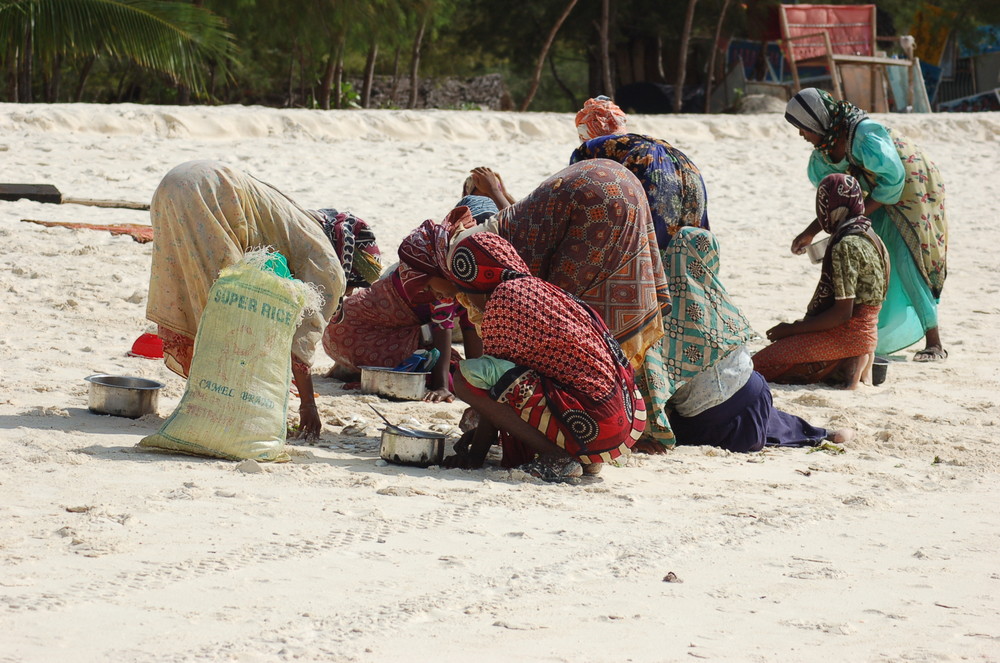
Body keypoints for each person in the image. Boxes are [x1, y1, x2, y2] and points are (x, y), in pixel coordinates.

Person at [445, 160, 675, 448]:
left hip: (592, 434)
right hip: (628, 422)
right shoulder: (553, 298)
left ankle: (556, 454)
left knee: (470, 379)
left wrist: (479, 447)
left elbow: (497, 378)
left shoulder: (510, 301)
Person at [146, 160, 375, 439]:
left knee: (199, 295)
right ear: (349, 268)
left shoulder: (300, 226)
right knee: (225, 306)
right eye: (351, 289)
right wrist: (308, 405)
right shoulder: (329, 265)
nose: (346, 295)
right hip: (208, 193)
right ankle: (219, 408)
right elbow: (302, 338)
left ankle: (211, 400)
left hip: (174, 185)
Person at [442, 232, 645, 480]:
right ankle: (582, 457)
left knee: (464, 377)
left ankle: (559, 458)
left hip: (593, 421)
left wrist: (475, 457)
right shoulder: (540, 289)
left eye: (465, 292)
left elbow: (492, 389)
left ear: (477, 281)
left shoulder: (503, 298)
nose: (467, 303)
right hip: (621, 419)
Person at [785, 87, 948, 361]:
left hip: (910, 184)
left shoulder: (864, 135)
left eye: (803, 128)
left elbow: (892, 182)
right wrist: (809, 233)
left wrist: (856, 216)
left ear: (816, 122)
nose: (802, 135)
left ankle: (935, 342)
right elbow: (840, 199)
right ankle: (871, 333)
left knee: (907, 259)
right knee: (876, 254)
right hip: (877, 191)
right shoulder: (824, 153)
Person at [664, 227, 851, 451]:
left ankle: (816, 433)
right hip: (754, 399)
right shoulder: (720, 302)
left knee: (689, 417)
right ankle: (819, 433)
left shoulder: (661, 313)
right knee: (759, 410)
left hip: (707, 422)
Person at [322, 216, 483, 403]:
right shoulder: (440, 282)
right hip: (354, 330)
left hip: (398, 333)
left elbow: (470, 327)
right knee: (452, 377)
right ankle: (359, 368)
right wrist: (442, 387)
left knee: (465, 375)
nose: (434, 293)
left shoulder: (452, 280)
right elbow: (442, 329)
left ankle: (355, 369)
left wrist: (478, 375)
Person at [753, 173, 890, 389]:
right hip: (867, 334)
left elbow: (841, 314)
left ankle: (842, 363)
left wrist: (790, 329)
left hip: (847, 336)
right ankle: (849, 363)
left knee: (758, 365)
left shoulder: (847, 245)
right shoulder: (871, 235)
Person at [570, 95, 710, 252]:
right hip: (687, 167)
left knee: (650, 249)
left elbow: (578, 198)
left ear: (584, 131)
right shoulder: (641, 143)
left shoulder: (589, 148)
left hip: (648, 168)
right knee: (687, 246)